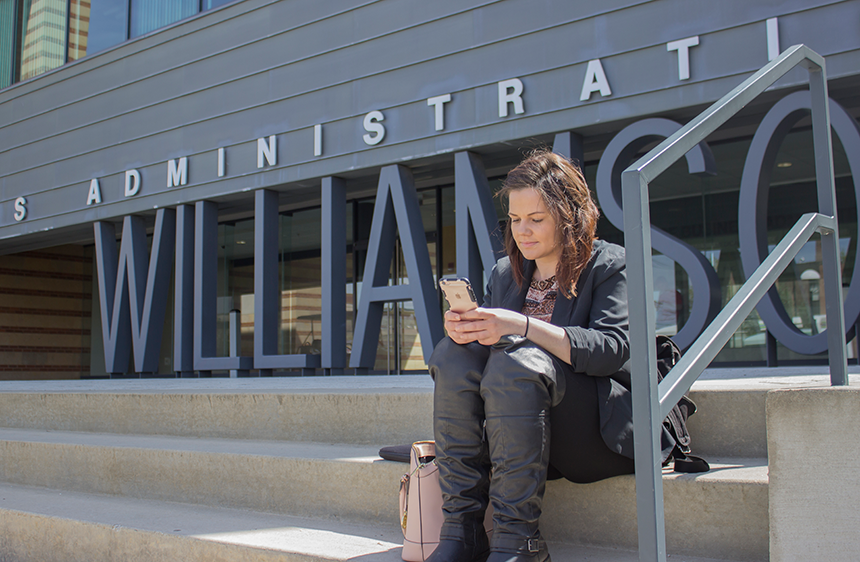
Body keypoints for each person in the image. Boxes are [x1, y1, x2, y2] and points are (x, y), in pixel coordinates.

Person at [427, 150, 641, 562]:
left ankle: (518, 541)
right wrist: (467, 333)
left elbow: (611, 350)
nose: (522, 231)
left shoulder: (608, 264)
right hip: (519, 429)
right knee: (453, 355)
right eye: (515, 219)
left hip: (591, 431)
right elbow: (486, 356)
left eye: (536, 219)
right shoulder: (505, 273)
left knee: (518, 360)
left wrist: (521, 326)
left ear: (570, 215)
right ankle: (461, 528)